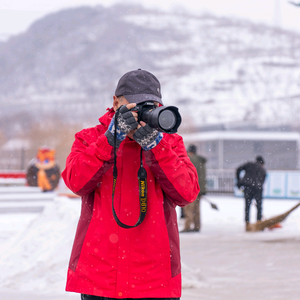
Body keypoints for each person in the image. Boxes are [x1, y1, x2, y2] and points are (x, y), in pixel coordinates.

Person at [62, 69, 200, 300]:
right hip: (100, 276)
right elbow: (76, 181)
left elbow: (187, 193)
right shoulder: (90, 138)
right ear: (116, 103)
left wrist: (157, 147)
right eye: (136, 106)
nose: (144, 113)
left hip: (154, 277)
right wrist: (110, 140)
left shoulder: (170, 143)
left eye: (151, 106)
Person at [236, 156, 266, 231]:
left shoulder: (249, 164)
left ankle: (247, 223)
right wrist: (257, 186)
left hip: (248, 187)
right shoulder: (263, 169)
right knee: (259, 206)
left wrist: (239, 181)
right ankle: (259, 223)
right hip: (258, 188)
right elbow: (263, 181)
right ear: (262, 163)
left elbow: (238, 169)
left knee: (247, 206)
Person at [181, 144, 207, 232]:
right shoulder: (200, 161)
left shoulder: (190, 160)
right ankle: (197, 226)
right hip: (200, 188)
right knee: (197, 209)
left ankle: (187, 226)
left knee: (188, 208)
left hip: (191, 188)